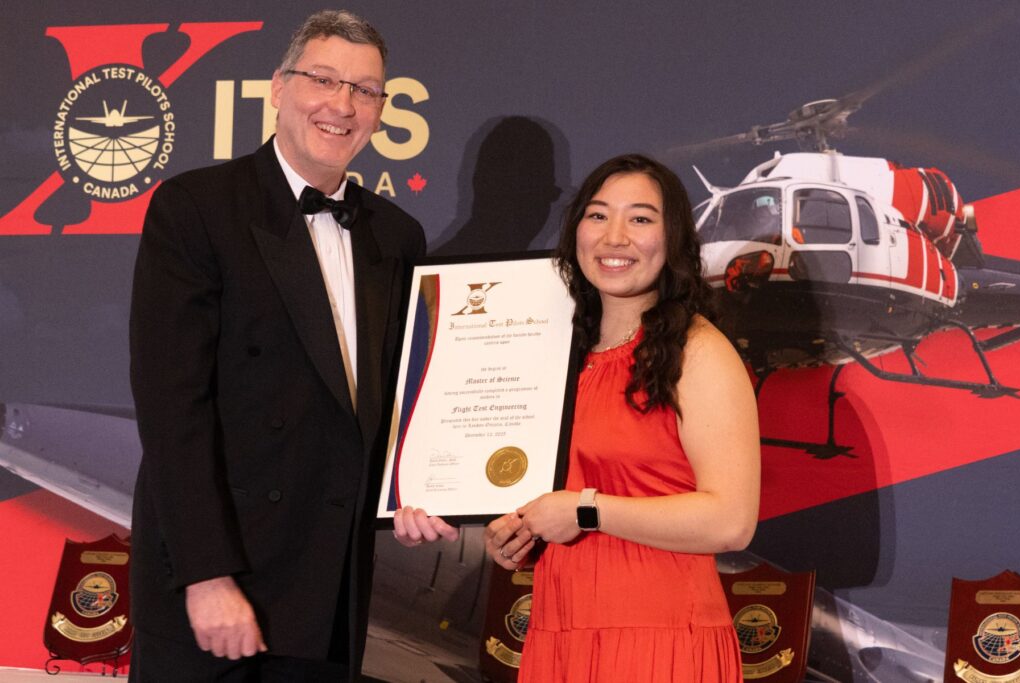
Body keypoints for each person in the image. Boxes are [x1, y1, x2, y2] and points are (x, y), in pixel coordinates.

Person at [127, 10, 445, 681]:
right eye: (323, 80)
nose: (342, 105)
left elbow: (400, 399)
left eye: (364, 90)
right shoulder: (196, 208)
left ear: (381, 109)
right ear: (278, 87)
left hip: (327, 589)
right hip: (217, 586)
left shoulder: (397, 236)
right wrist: (207, 576)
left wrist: (416, 483)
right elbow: (172, 409)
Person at [483, 154, 761, 681]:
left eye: (640, 218)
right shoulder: (557, 357)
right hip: (558, 637)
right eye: (597, 215)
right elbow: (550, 499)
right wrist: (515, 533)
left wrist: (585, 511)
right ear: (575, 232)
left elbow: (731, 522)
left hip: (659, 643)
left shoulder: (698, 351)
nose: (615, 237)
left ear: (672, 239)